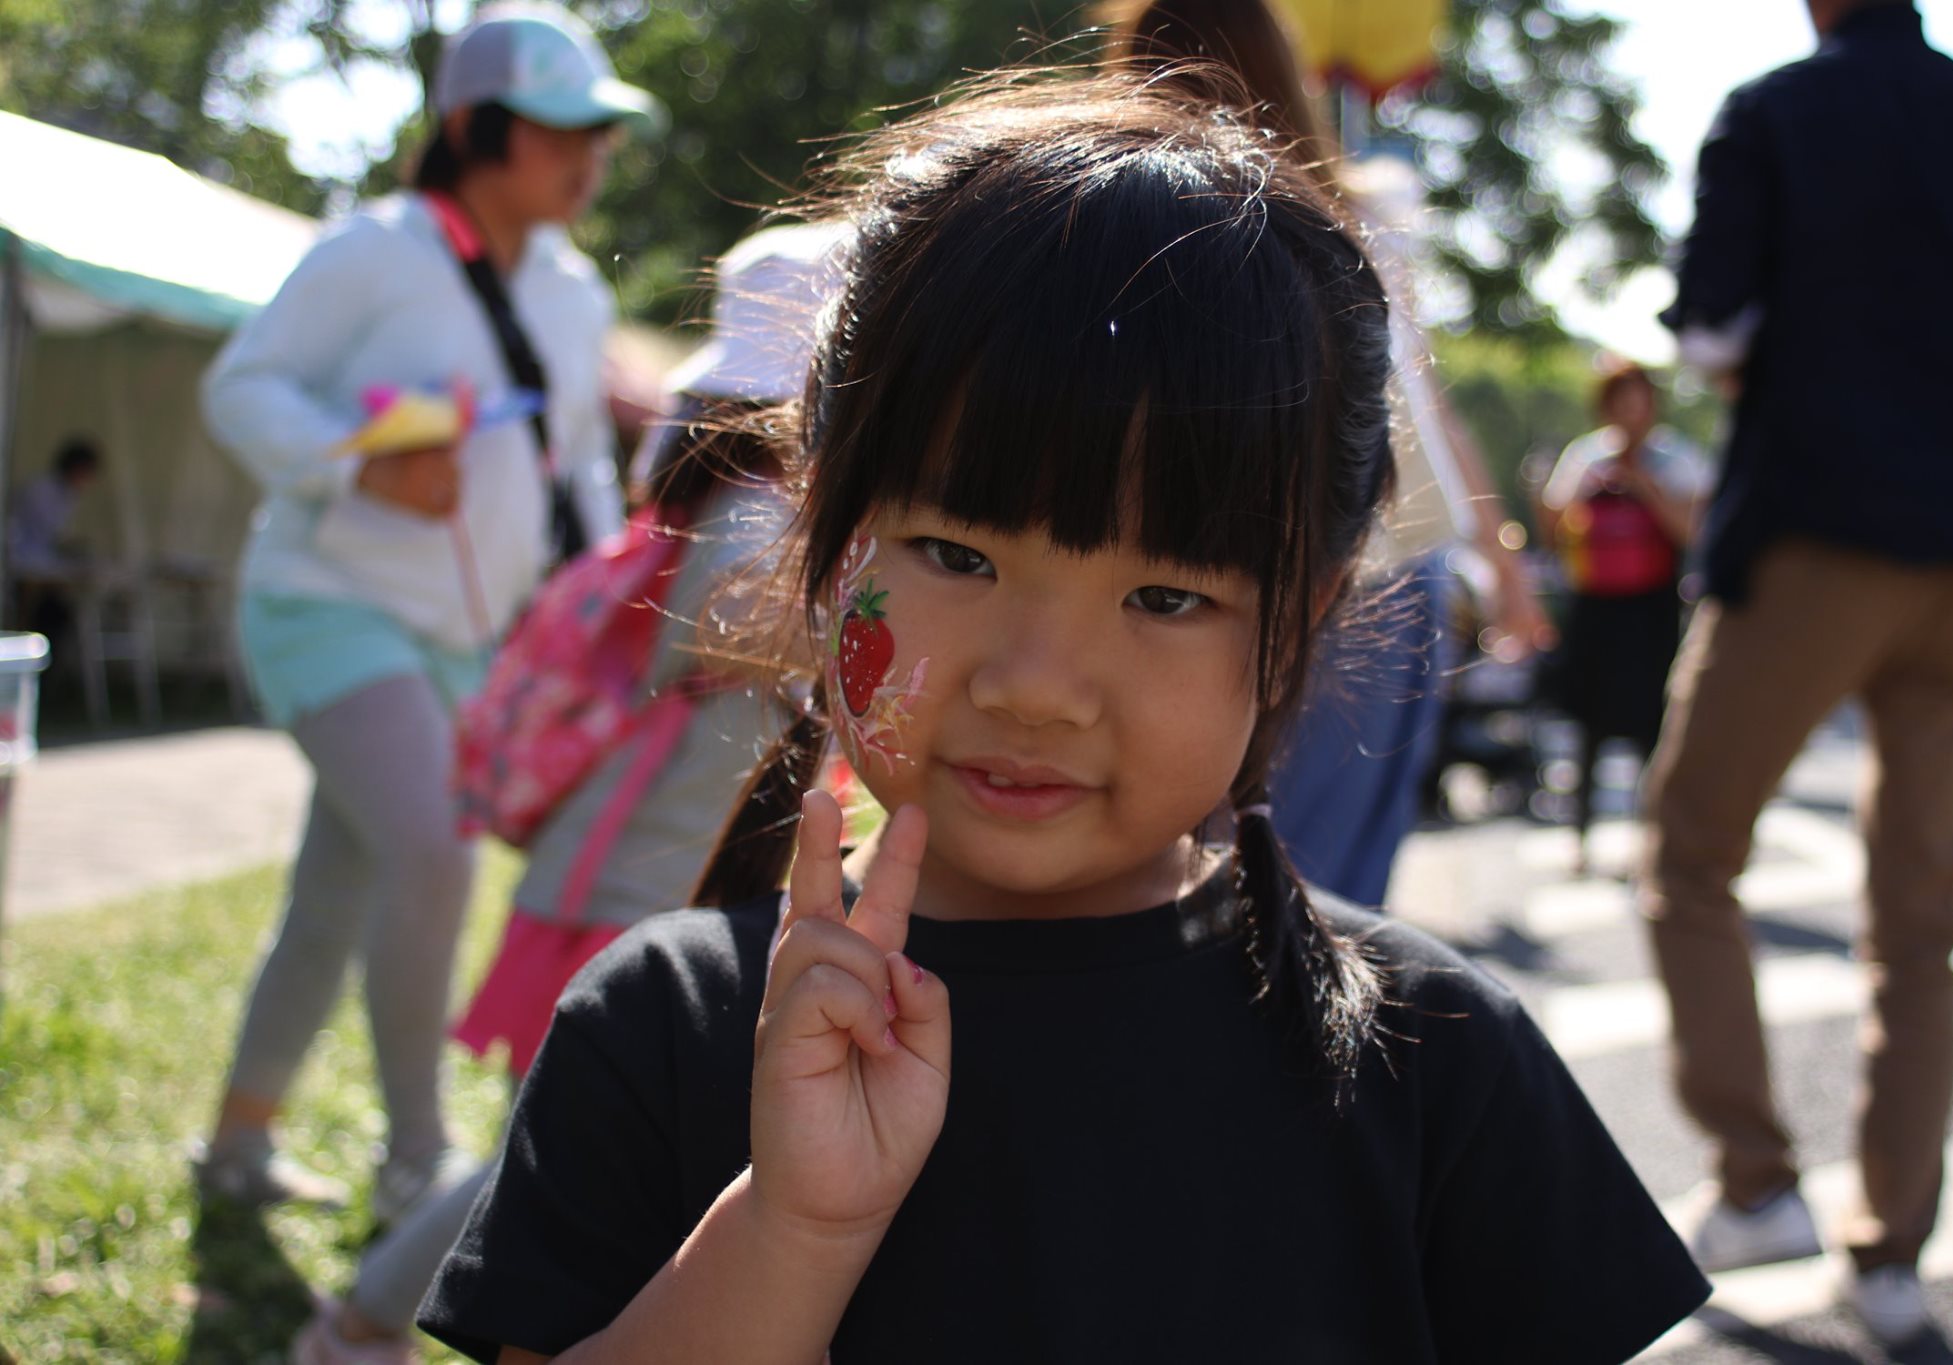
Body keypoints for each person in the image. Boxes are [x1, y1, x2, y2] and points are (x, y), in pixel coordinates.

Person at [416, 76, 1708, 1363]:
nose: (1035, 684)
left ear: (1297, 623)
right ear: (823, 534)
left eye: (1165, 595)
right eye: (956, 554)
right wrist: (791, 1232)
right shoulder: (669, 1028)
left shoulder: (1428, 1056)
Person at [287, 223, 840, 1365]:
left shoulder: (716, 500)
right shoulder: (758, 512)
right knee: (536, 1158)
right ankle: (360, 1324)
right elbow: (739, 641)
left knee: (562, 1149)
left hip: (624, 869)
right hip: (632, 884)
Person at [193, 2, 665, 1227]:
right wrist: (358, 469)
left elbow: (577, 470)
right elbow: (242, 387)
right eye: (558, 129)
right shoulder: (375, 251)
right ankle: (418, 1159)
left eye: (598, 132)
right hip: (325, 605)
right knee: (433, 850)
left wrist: (617, 584)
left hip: (465, 646)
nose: (588, 156)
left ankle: (236, 1147)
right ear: (471, 129)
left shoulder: (570, 294)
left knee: (335, 896)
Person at [1643, 0, 1953, 1347]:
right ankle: (1890, 1259)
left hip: (1814, 534)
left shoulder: (1772, 111)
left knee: (1691, 850)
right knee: (1918, 929)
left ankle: (1756, 1181)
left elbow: (1710, 331)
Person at [1102, 0, 1554, 907]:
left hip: (1202, 577)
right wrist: (1505, 566)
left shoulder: (1114, 219)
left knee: (1190, 875)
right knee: (1327, 895)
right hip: (1385, 567)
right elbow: (1424, 412)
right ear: (1280, 67)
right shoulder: (1360, 212)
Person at [1537, 362, 1706, 876]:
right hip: (1595, 608)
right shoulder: (1586, 457)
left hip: (1651, 612)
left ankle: (1650, 837)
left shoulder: (1678, 459)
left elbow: (1693, 532)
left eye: (1639, 402)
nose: (1631, 413)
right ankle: (1580, 836)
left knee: (1651, 726)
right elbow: (1554, 527)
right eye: (1621, 402)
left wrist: (1644, 487)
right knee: (1587, 725)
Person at [6, 438, 101, 651]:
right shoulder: (42, 490)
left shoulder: (66, 494)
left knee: (58, 613)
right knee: (40, 613)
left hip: (39, 564)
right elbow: (46, 534)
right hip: (23, 564)